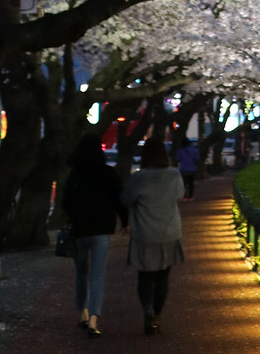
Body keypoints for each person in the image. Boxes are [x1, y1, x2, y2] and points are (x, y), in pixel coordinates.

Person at [62, 132, 127, 337]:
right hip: (102, 230)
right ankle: (93, 320)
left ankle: (82, 312)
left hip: (80, 229)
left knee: (81, 273)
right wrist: (124, 221)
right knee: (97, 275)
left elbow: (65, 202)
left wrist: (73, 216)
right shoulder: (108, 173)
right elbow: (119, 199)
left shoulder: (75, 174)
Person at [122, 136, 185, 335]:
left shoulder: (139, 177)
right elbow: (180, 195)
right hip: (170, 231)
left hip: (145, 233)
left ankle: (146, 309)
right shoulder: (174, 175)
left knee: (145, 276)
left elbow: (127, 200)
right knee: (163, 276)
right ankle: (157, 315)